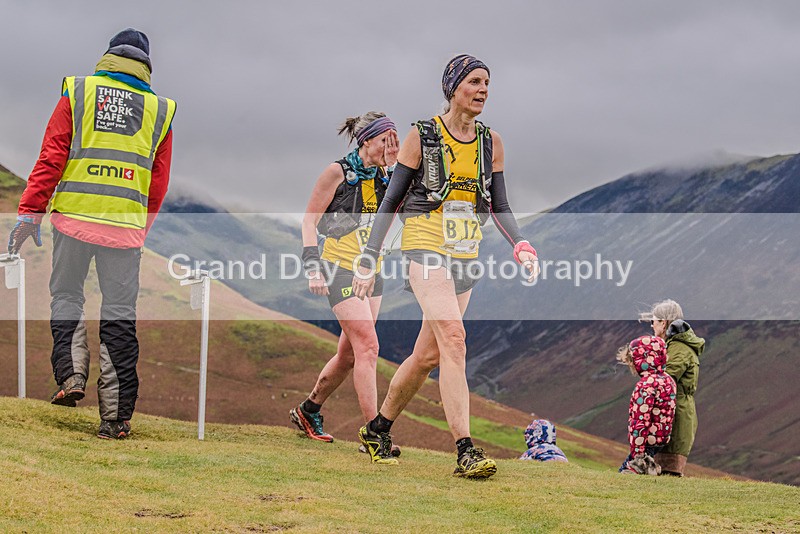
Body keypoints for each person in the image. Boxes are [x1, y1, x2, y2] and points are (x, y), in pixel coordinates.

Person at [351, 54, 540, 477]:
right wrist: (369, 256)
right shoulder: (422, 135)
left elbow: (500, 204)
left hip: (465, 253)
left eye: (487, 82)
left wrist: (522, 244)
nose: (483, 89)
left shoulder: (492, 142)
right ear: (452, 88)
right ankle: (465, 451)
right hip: (424, 247)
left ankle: (378, 429)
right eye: (474, 81)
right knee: (455, 339)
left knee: (427, 356)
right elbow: (391, 200)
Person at [7, 28, 176, 440]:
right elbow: (158, 181)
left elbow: (52, 155)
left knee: (67, 296)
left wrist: (30, 214)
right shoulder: (161, 110)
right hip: (125, 231)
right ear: (146, 66)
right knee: (119, 316)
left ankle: (71, 376)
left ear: (108, 56)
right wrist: (141, 229)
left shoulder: (79, 92)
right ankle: (114, 419)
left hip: (73, 220)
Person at [290, 112, 399, 463]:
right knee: (368, 347)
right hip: (338, 267)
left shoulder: (387, 176)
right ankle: (374, 434)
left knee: (350, 355)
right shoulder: (337, 172)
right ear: (366, 140)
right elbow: (309, 220)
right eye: (385, 140)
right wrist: (312, 267)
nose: (391, 147)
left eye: (395, 140)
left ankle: (308, 410)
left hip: (371, 272)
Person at [643, 299, 704, 476]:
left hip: (674, 417)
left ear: (663, 323)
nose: (652, 325)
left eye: (653, 321)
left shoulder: (679, 349)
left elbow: (664, 379)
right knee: (660, 476)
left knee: (668, 474)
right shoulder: (673, 346)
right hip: (670, 414)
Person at [616, 336, 676, 475]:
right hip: (660, 438)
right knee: (643, 469)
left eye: (632, 362)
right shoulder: (668, 380)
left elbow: (640, 420)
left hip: (645, 441)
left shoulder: (646, 385)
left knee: (626, 472)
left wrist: (638, 452)